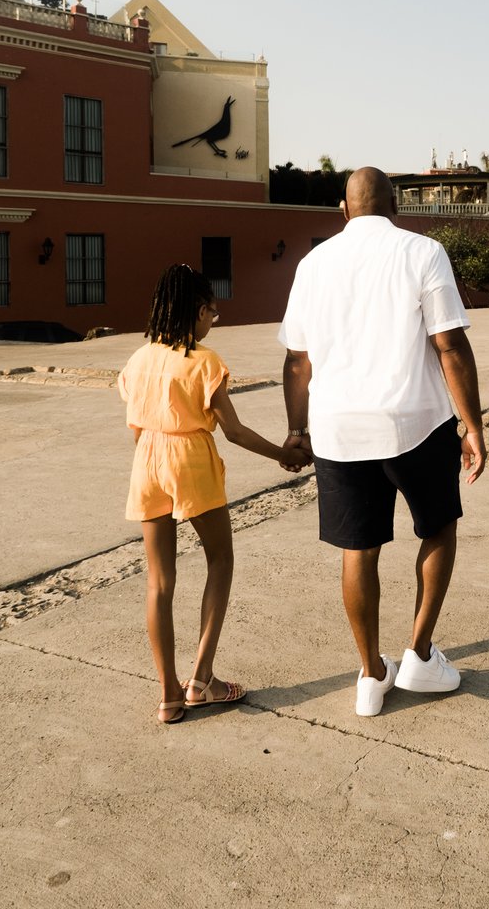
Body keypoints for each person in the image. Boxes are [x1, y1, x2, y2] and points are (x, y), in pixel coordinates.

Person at [278, 167, 486, 717]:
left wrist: (297, 430)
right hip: (415, 421)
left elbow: (297, 360)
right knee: (439, 526)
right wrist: (473, 426)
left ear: (342, 211)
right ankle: (419, 656)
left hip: (339, 426)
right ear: (396, 207)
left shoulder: (312, 263)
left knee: (358, 549)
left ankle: (371, 674)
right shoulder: (422, 251)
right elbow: (449, 345)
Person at [120, 264, 306, 725]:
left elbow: (136, 425)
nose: (213, 321)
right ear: (199, 310)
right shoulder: (204, 361)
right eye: (212, 313)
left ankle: (168, 695)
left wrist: (152, 456)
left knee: (159, 584)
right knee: (220, 559)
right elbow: (235, 432)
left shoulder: (139, 358)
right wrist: (283, 455)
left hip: (146, 460)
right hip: (190, 459)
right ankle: (202, 679)